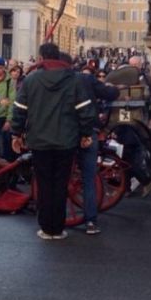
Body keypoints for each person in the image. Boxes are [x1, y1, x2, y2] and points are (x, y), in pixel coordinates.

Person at [11, 43, 96, 240]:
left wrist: (16, 133)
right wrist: (85, 134)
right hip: (66, 140)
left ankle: (46, 227)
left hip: (39, 140)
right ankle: (57, 228)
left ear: (41, 58)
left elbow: (19, 110)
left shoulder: (31, 80)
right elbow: (85, 111)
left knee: (44, 183)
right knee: (60, 184)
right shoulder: (74, 80)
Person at [71, 54, 119, 235]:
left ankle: (54, 219)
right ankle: (91, 221)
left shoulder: (60, 82)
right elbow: (110, 93)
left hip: (67, 132)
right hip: (88, 130)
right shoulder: (86, 79)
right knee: (89, 178)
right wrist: (112, 88)